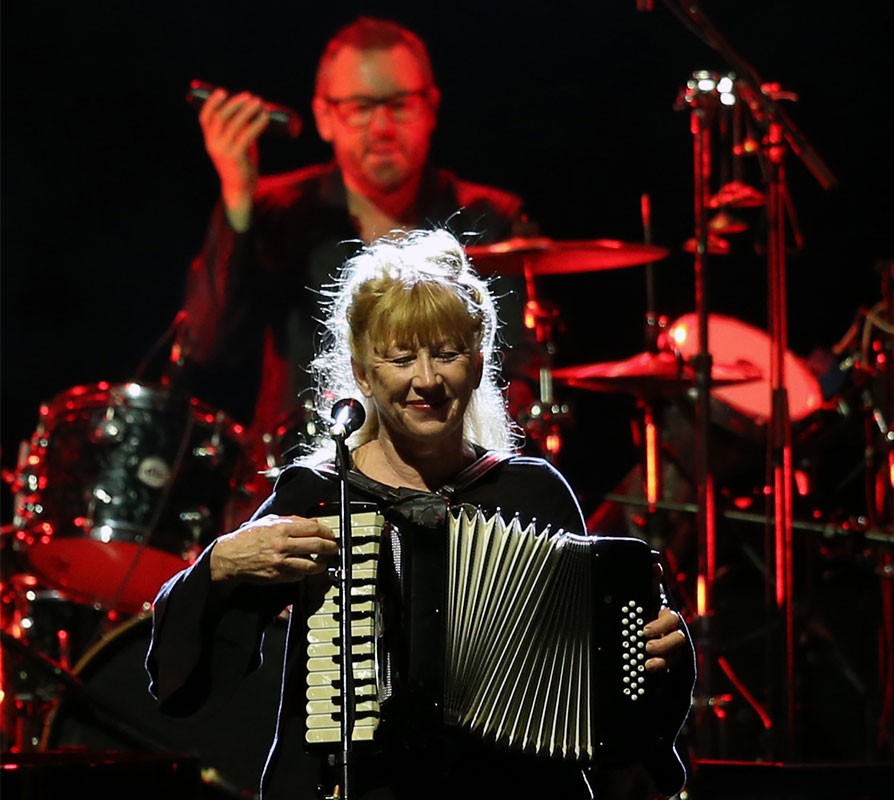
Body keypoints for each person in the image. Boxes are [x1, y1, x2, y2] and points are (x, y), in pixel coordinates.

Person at [146, 228, 696, 800]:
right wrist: (218, 567)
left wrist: (661, 656)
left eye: (448, 354)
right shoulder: (317, 495)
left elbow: (605, 699)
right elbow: (186, 690)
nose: (426, 379)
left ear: (479, 363)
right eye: (401, 357)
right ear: (362, 373)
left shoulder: (533, 493)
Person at [179, 15, 538, 478]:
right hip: (304, 476)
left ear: (431, 107)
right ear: (325, 117)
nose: (382, 126)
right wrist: (237, 200)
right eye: (361, 107)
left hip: (456, 479)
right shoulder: (281, 213)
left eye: (399, 105)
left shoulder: (491, 218)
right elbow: (207, 348)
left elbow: (522, 371)